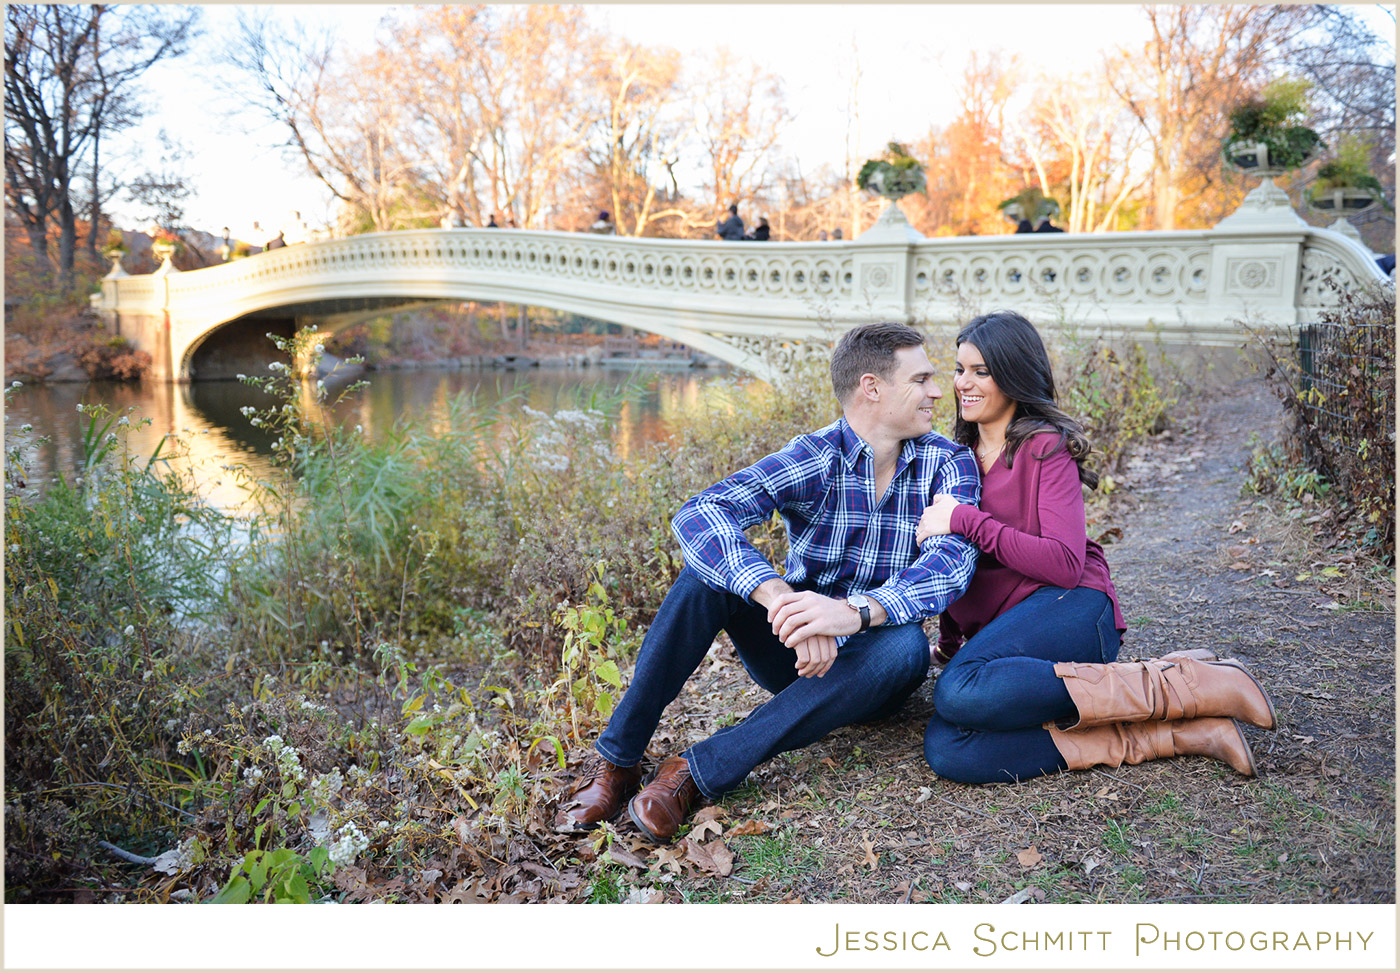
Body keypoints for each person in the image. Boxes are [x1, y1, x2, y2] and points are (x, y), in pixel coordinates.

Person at [554, 322, 983, 842]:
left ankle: (695, 771)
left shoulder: (948, 461)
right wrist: (780, 597)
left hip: (875, 664)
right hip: (797, 651)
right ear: (873, 388)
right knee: (704, 579)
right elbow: (701, 511)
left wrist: (849, 614)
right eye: (921, 380)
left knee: (906, 647)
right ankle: (618, 761)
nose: (938, 391)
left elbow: (952, 564)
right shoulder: (816, 455)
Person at [919, 310, 1275, 785]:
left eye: (981, 371)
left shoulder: (1044, 447)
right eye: (960, 369)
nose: (965, 382)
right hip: (1011, 637)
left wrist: (966, 520)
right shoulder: (952, 460)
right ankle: (1182, 734)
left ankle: (1182, 684)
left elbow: (1064, 564)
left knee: (958, 692)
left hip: (1071, 608)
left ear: (1014, 376)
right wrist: (948, 641)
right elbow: (951, 565)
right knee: (948, 749)